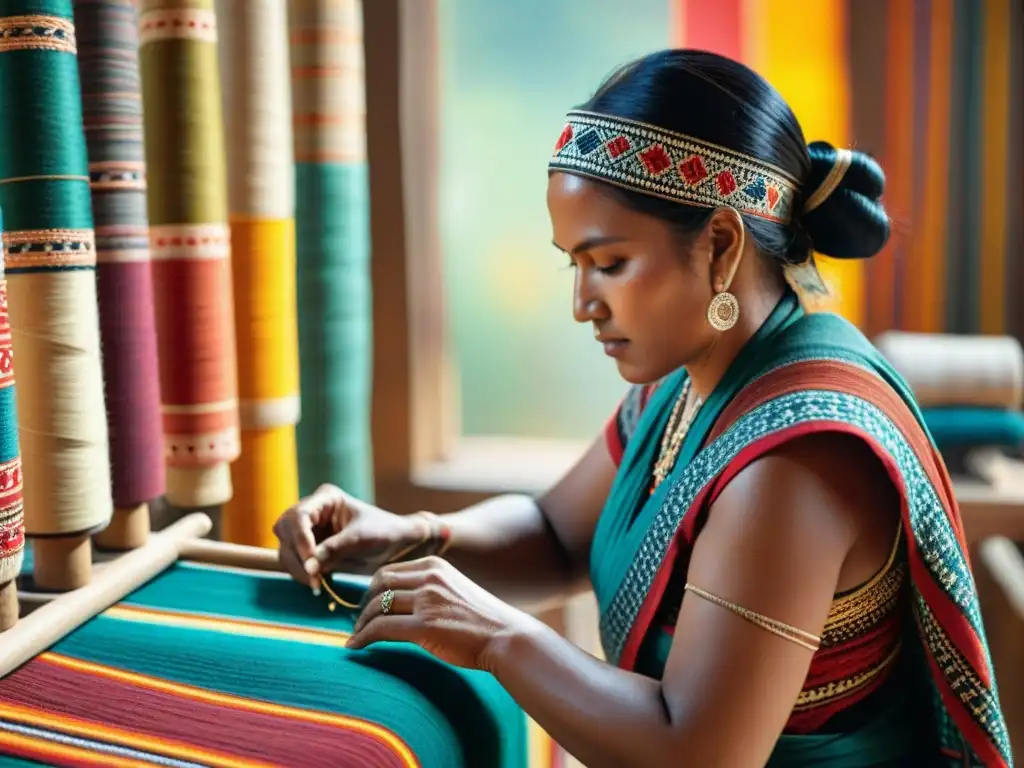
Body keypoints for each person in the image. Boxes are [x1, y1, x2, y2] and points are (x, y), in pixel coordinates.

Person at [274, 49, 1010, 767]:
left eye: (609, 264)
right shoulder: (692, 379)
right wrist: (406, 535)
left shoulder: (793, 463)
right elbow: (557, 533)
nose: (582, 305)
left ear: (721, 244)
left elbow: (698, 752)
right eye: (575, 264)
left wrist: (500, 637)